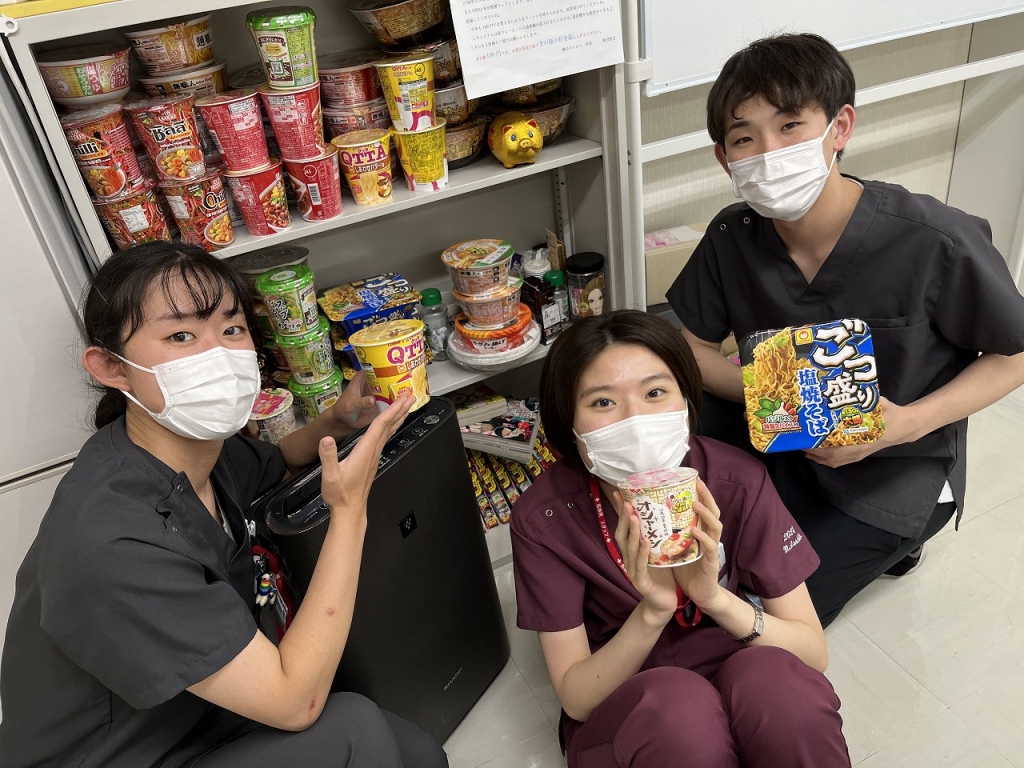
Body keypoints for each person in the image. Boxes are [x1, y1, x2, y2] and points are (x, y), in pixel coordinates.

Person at [0, 243, 449, 768]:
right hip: (122, 753)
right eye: (181, 335)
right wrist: (349, 512)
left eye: (231, 329)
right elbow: (295, 703)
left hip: (200, 711)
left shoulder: (196, 450)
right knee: (351, 729)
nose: (219, 356)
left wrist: (333, 422)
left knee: (420, 753)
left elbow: (276, 461)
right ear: (112, 368)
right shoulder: (109, 543)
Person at [668, 33, 1024, 627]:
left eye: (789, 126)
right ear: (723, 158)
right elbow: (690, 348)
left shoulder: (933, 238)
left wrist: (899, 424)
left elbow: (1014, 355)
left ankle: (895, 542)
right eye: (743, 138)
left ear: (840, 127)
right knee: (682, 439)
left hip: (898, 467)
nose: (767, 151)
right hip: (787, 437)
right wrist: (778, 399)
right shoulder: (734, 236)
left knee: (764, 614)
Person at [511, 310, 851, 768]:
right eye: (602, 403)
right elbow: (577, 697)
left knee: (778, 685)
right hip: (629, 697)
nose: (636, 421)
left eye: (655, 393)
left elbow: (813, 652)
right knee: (678, 709)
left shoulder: (735, 480)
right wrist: (654, 610)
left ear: (687, 401)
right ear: (568, 424)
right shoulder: (545, 519)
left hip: (735, 660)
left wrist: (712, 597)